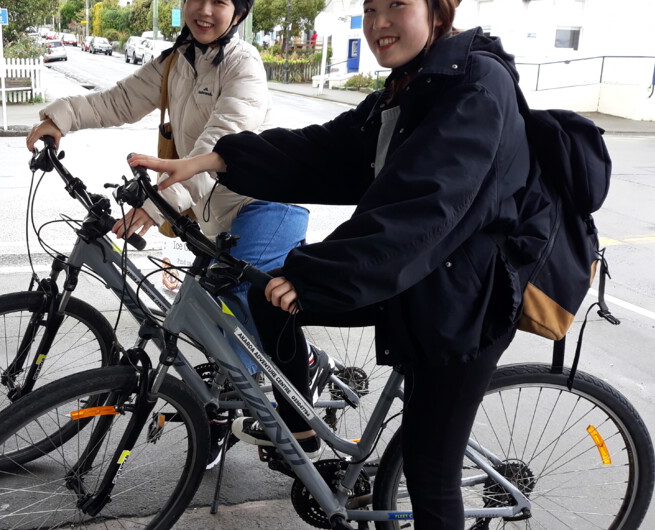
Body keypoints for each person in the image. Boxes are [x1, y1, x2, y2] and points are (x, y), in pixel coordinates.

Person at [128, 0, 531, 525]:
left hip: (466, 296)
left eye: (397, 6)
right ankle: (298, 426)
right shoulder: (409, 84)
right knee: (266, 292)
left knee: (431, 473)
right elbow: (324, 150)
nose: (380, 22)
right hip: (416, 270)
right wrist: (214, 160)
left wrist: (319, 273)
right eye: (370, 9)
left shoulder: (475, 83)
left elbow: (425, 204)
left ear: (437, 10)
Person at [25, 0, 309, 470]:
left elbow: (219, 143)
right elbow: (116, 101)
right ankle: (224, 404)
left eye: (221, 1)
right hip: (214, 216)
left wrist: (163, 202)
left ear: (237, 14)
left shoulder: (244, 66)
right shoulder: (175, 62)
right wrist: (61, 119)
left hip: (264, 205)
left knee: (233, 303)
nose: (204, 10)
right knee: (201, 317)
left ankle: (289, 393)